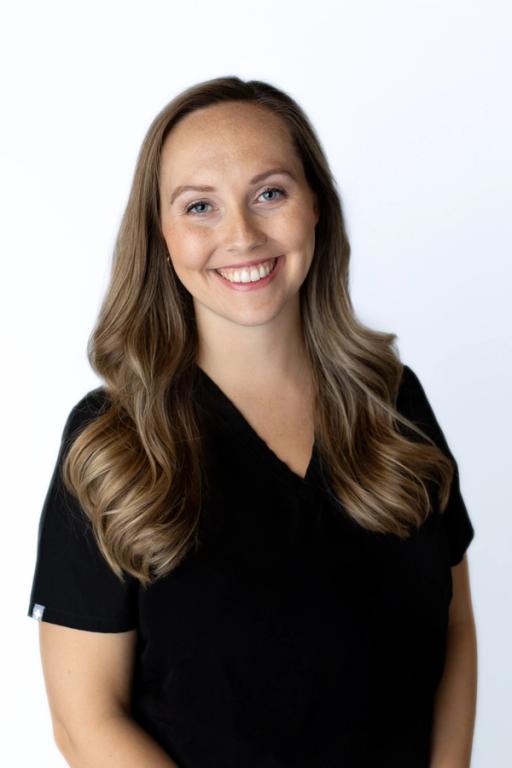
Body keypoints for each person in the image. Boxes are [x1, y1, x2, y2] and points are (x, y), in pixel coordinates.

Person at [27, 76, 477, 768]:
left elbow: (455, 633)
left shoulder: (394, 403)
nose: (241, 235)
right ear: (161, 235)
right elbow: (86, 722)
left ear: (316, 206)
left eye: (270, 192)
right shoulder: (112, 446)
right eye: (199, 206)